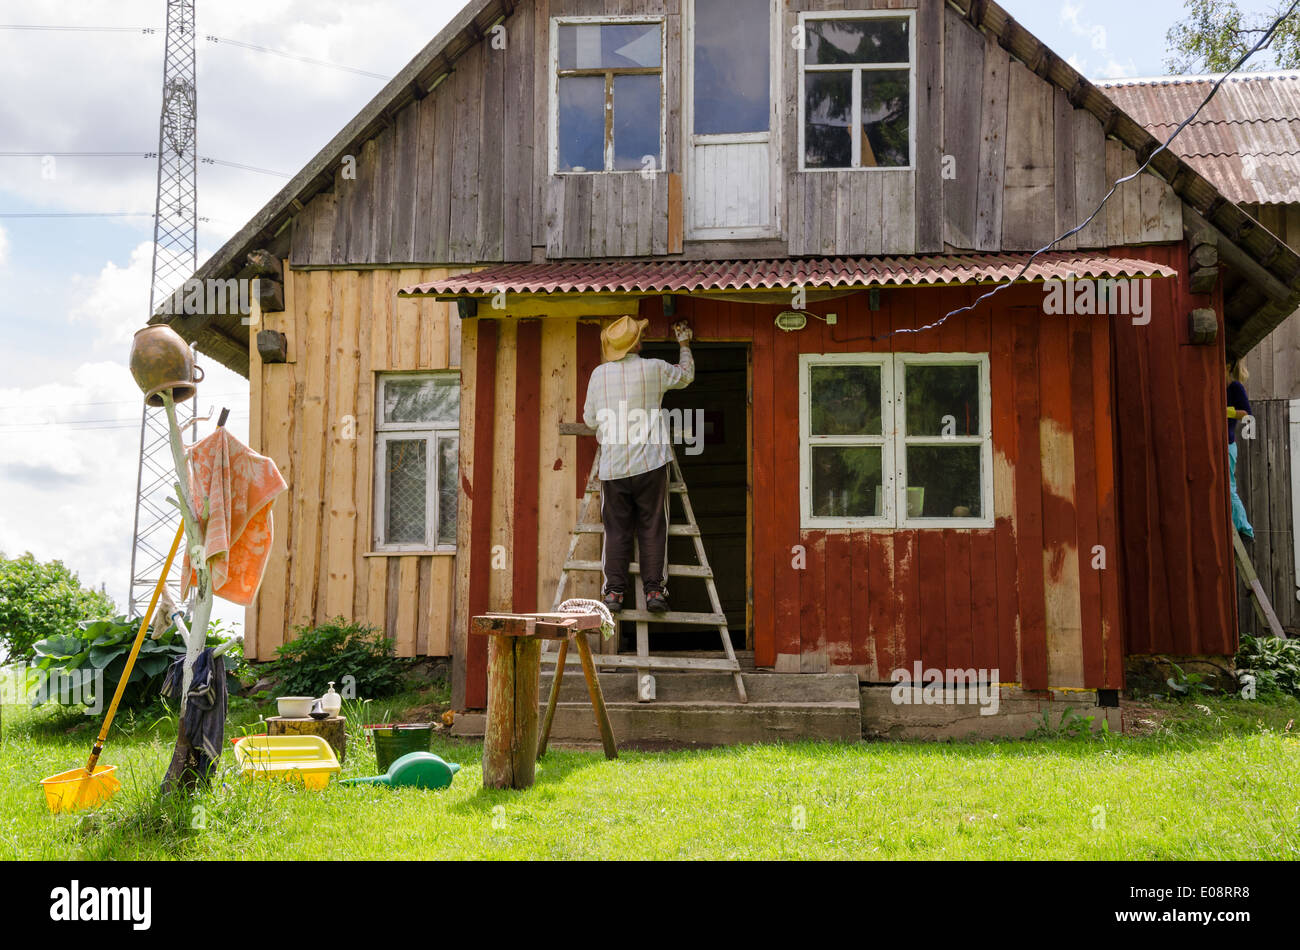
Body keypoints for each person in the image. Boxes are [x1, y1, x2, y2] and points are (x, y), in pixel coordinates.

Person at [582, 315, 695, 614]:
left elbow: (590, 420)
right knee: (653, 526)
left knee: (616, 529)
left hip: (614, 466)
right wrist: (683, 343)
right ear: (638, 343)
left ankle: (614, 594)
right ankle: (655, 591)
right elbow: (686, 375)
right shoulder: (654, 368)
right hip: (651, 463)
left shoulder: (598, 375)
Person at [1227, 359, 1254, 540]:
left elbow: (1247, 415)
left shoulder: (1235, 387)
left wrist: (1225, 411)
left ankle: (1244, 529)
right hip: (1221, 445)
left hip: (1227, 445)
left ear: (1228, 366)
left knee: (1229, 488)